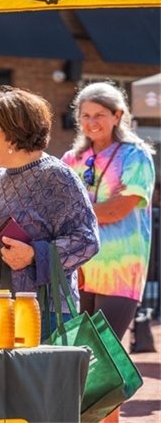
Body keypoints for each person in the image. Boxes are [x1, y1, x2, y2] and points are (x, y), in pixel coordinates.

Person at [0, 85, 100, 337]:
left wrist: (34, 254)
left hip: (31, 316)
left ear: (13, 135)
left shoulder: (56, 177)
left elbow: (87, 241)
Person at [62, 81, 156, 341]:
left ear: (117, 116)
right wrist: (95, 209)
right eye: (86, 116)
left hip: (119, 269)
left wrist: (75, 211)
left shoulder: (135, 155)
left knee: (104, 353)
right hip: (77, 269)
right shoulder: (71, 159)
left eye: (100, 115)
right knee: (77, 355)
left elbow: (118, 210)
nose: (92, 122)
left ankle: (119, 385)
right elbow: (57, 206)